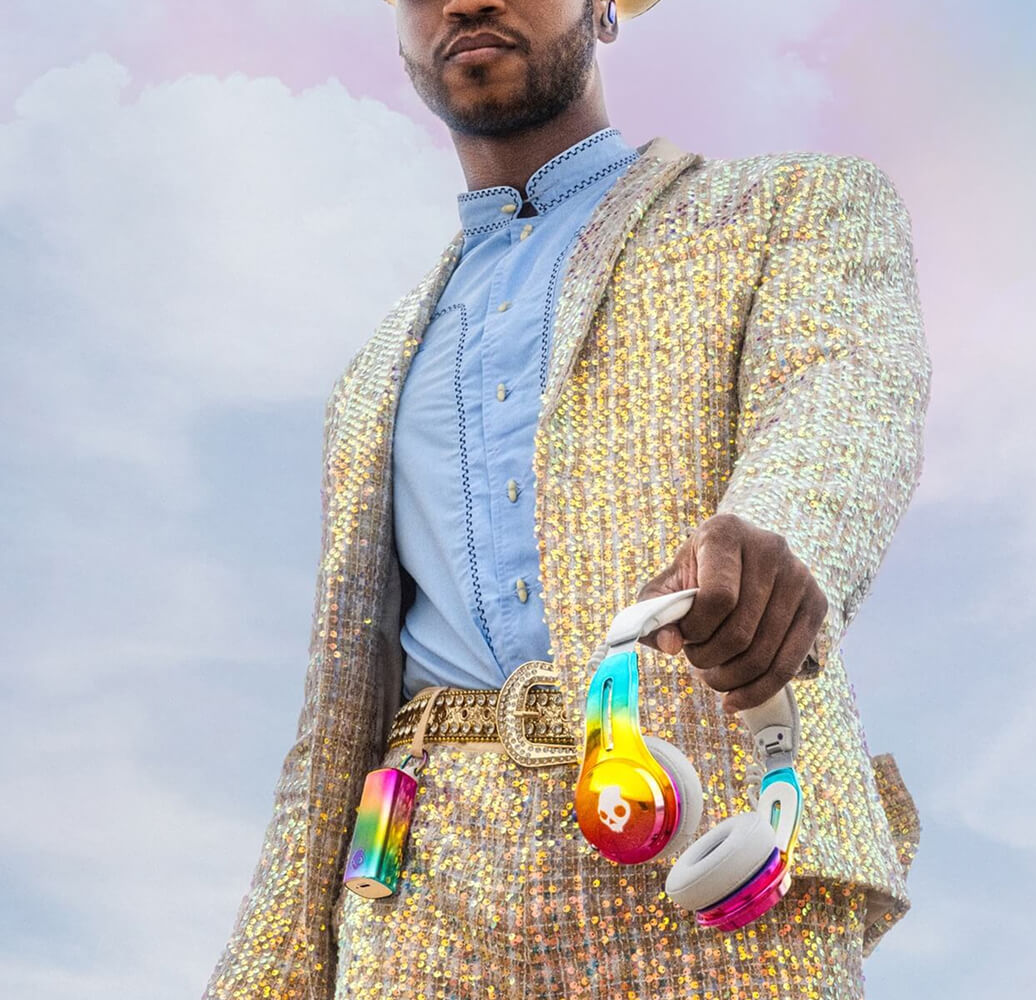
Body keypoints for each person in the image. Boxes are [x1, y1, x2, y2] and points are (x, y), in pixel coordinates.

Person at [205, 0, 930, 996]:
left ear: (605, 8)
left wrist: (772, 543)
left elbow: (840, 396)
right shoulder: (373, 374)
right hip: (415, 891)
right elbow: (333, 719)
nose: (464, 2)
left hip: (698, 826)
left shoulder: (793, 204)